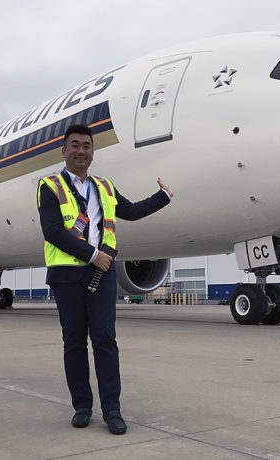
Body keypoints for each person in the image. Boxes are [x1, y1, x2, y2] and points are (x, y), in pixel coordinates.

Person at [37, 124, 172, 435]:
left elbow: (133, 212)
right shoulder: (49, 186)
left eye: (86, 145)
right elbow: (53, 231)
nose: (81, 151)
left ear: (93, 152)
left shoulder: (105, 187)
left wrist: (163, 196)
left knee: (105, 341)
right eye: (75, 145)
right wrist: (92, 254)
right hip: (68, 275)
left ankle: (113, 410)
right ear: (64, 151)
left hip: (102, 273)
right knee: (73, 343)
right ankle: (82, 406)